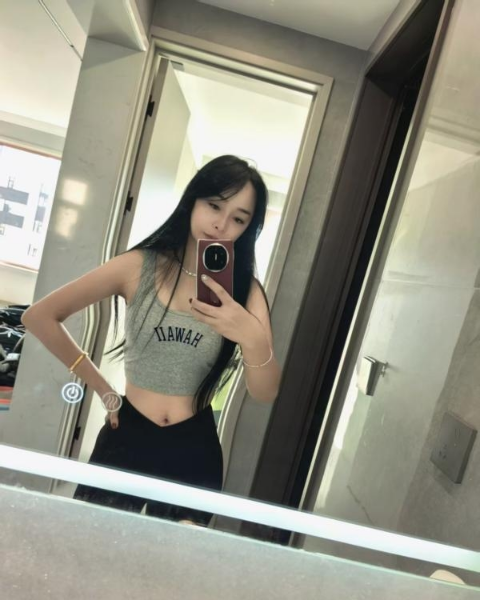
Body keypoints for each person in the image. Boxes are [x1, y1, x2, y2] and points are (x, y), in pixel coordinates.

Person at [21, 155, 281, 526]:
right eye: (214, 205)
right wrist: (104, 391)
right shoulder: (138, 267)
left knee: (170, 561)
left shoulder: (246, 292)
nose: (221, 224)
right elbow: (39, 316)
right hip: (126, 435)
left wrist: (251, 337)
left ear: (248, 229)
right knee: (94, 547)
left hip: (194, 449)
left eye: (238, 219)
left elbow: (265, 393)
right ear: (193, 200)